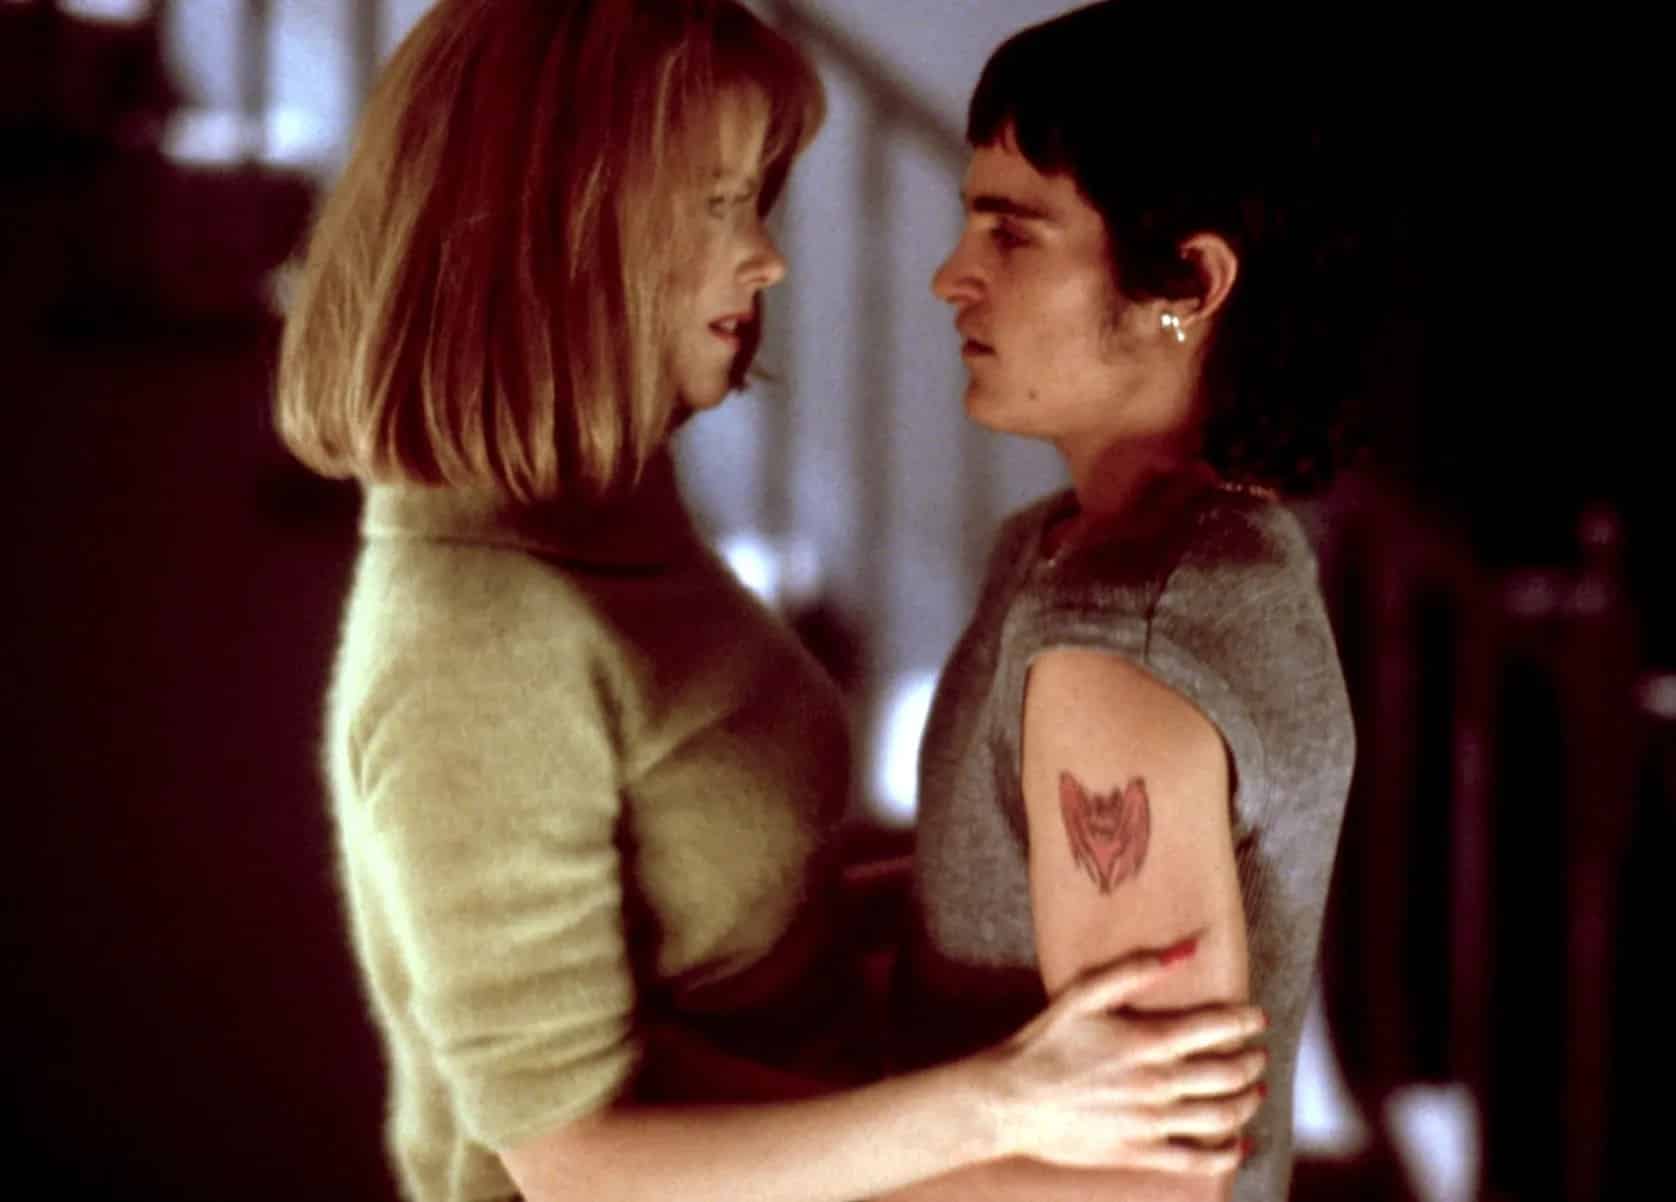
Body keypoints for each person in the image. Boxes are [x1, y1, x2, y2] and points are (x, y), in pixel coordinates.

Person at [275, 3, 1269, 1201]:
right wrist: (1001, 1098)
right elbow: (569, 1159)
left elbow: (722, 921)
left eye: (756, 199)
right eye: (716, 204)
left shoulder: (604, 521)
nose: (766, 256)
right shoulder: (477, 634)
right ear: (559, 223)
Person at [893, 3, 1380, 1200]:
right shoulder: (1080, 553)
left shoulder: (1122, 636)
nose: (951, 275)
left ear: (1189, 283)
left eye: (1011, 233)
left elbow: (1145, 1186)